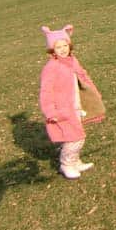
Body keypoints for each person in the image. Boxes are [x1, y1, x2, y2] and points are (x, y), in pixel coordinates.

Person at [39, 24, 105, 179]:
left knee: (77, 135)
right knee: (75, 137)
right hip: (62, 109)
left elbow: (83, 76)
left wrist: (93, 92)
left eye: (65, 45)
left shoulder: (72, 61)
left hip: (76, 105)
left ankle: (75, 161)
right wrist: (50, 111)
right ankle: (66, 164)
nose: (62, 49)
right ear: (51, 50)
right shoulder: (51, 67)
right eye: (58, 47)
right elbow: (46, 91)